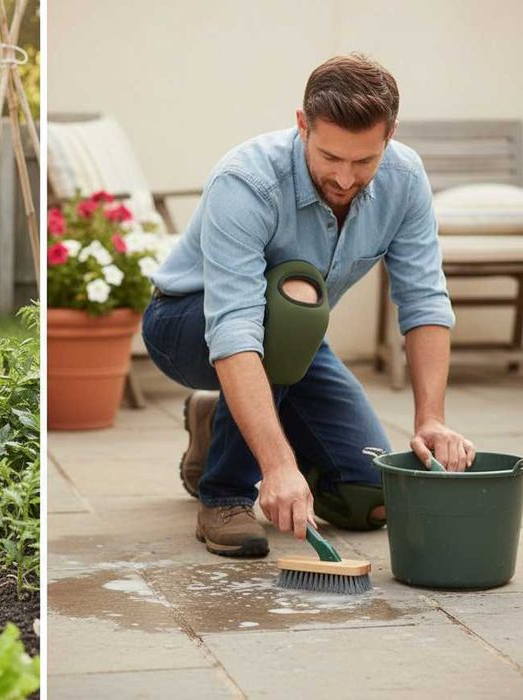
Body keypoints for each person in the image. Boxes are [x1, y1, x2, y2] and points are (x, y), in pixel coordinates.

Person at [142, 53, 474, 558]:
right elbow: (234, 326)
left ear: (390, 133)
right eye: (330, 158)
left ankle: (218, 419)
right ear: (303, 125)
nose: (345, 178)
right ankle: (224, 495)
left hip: (292, 340)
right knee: (292, 305)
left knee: (370, 498)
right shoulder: (246, 180)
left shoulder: (405, 179)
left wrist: (431, 418)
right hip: (185, 324)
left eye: (364, 161)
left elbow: (424, 299)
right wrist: (276, 467)